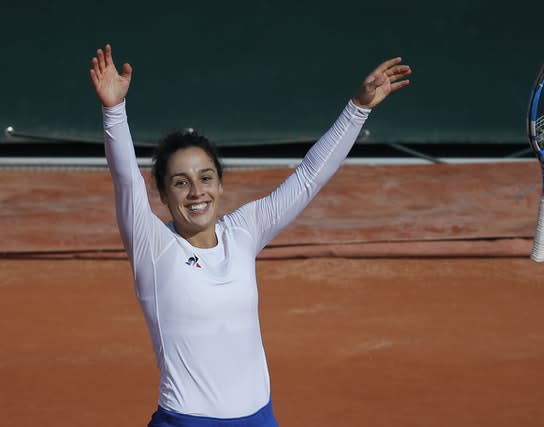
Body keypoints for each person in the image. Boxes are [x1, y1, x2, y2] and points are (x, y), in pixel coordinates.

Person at [90, 43, 411, 427]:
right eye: (181, 182)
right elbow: (126, 179)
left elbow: (309, 177)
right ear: (162, 193)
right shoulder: (153, 247)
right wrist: (114, 111)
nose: (196, 193)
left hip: (259, 418)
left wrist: (358, 108)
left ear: (220, 185)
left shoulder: (243, 231)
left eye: (206, 178)